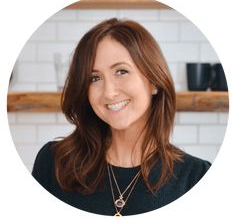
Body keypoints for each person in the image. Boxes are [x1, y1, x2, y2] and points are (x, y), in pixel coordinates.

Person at [32, 18, 211, 216]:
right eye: (95, 78)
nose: (109, 93)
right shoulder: (53, 163)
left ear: (154, 81)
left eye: (121, 71)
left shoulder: (196, 177)